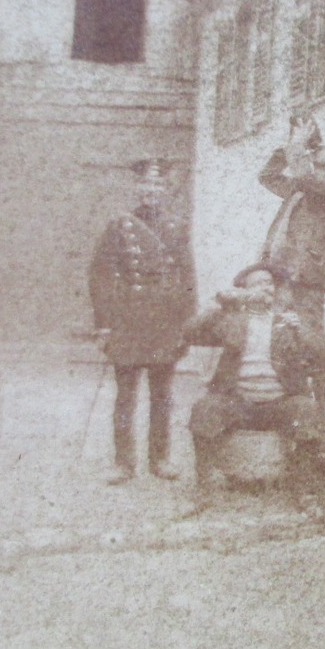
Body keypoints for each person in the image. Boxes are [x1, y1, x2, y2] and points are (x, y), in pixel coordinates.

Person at [89, 157, 196, 484]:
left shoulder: (177, 226)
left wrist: (186, 324)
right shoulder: (119, 226)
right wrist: (105, 322)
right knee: (125, 395)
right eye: (147, 185)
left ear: (165, 190)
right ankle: (123, 463)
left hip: (164, 319)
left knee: (162, 395)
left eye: (159, 185)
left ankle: (160, 459)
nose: (152, 190)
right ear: (137, 188)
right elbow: (100, 274)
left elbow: (187, 276)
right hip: (128, 319)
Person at [183, 263, 325, 496]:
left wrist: (301, 330)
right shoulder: (231, 320)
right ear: (244, 292)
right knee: (205, 409)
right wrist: (219, 306)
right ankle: (204, 490)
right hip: (238, 403)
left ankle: (305, 491)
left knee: (306, 410)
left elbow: (324, 357)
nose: (267, 288)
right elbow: (190, 334)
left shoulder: (288, 320)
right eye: (259, 284)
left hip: (280, 403)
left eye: (270, 283)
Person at [258, 115, 325, 335]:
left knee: (309, 331)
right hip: (284, 267)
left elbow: (306, 178)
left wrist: (298, 146)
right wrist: (289, 147)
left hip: (310, 270)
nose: (315, 169)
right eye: (315, 165)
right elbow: (268, 176)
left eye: (321, 166)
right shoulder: (302, 187)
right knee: (282, 329)